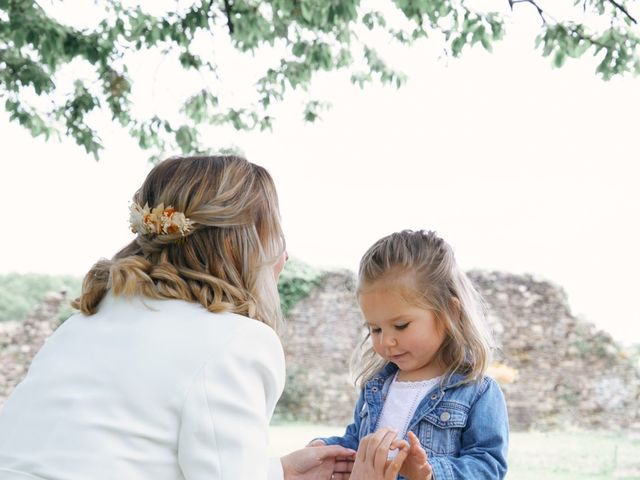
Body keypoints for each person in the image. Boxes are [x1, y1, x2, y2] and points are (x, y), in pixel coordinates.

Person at [0, 155, 354, 480]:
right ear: (237, 246)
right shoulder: (237, 340)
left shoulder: (80, 325)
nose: (284, 255)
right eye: (273, 234)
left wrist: (277, 473)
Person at [309, 230, 509, 480]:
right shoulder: (377, 386)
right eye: (375, 328)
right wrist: (326, 447)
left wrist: (429, 473)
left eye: (401, 325)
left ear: (449, 313)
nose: (386, 341)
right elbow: (358, 444)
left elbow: (488, 467)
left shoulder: (478, 393)